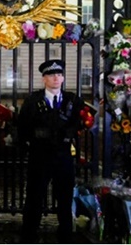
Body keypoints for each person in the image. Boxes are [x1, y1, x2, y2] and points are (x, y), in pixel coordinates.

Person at [18, 59, 85, 243]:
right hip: (39, 155)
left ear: (63, 78)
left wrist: (70, 131)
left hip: (63, 156)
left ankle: (65, 234)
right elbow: (22, 126)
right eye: (51, 75)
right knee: (34, 197)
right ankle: (29, 235)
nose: (56, 78)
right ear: (44, 79)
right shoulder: (32, 101)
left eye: (59, 74)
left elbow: (80, 123)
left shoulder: (73, 100)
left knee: (65, 198)